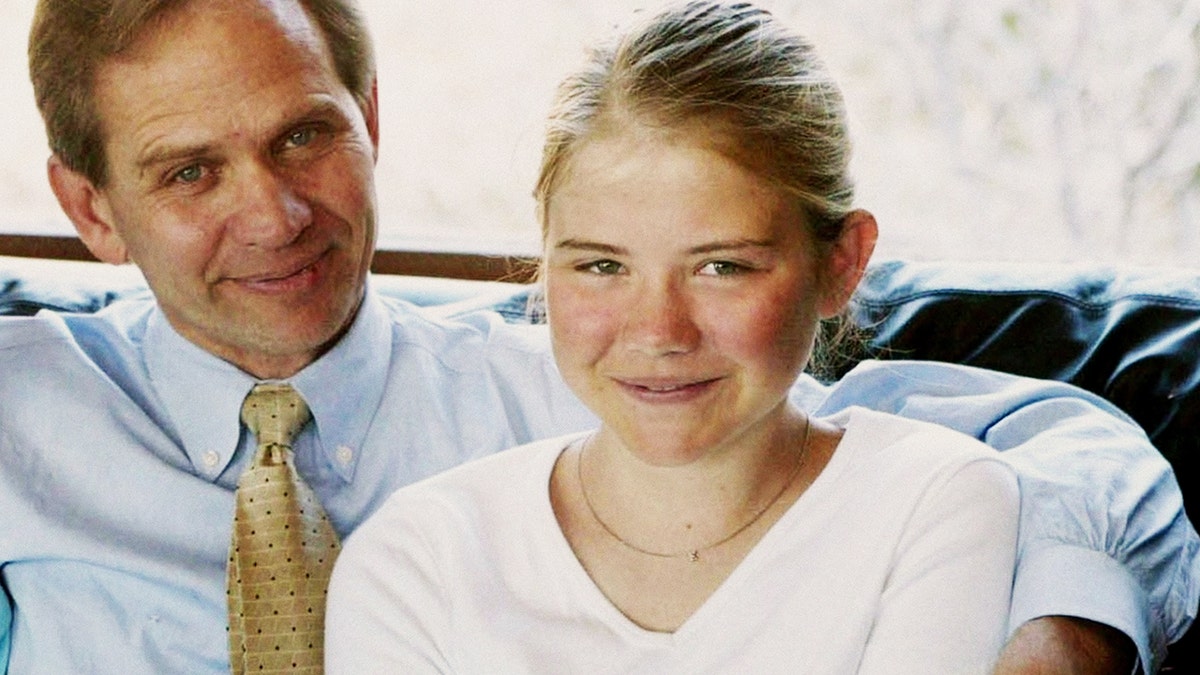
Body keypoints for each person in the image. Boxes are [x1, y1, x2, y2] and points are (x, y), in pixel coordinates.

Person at [0, 0, 1192, 672]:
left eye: (304, 137)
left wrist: (1068, 623)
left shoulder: (605, 381)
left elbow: (1053, 436)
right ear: (90, 210)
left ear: (369, 120)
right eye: (190, 173)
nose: (274, 215)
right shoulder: (22, 407)